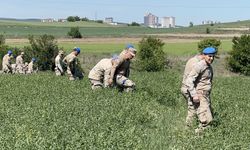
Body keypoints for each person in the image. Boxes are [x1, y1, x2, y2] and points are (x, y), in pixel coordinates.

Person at [181, 47, 217, 133]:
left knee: (193, 112)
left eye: (213, 56)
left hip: (204, 95)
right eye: (209, 56)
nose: (211, 58)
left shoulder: (208, 66)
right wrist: (194, 95)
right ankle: (197, 136)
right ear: (203, 55)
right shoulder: (199, 65)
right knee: (207, 119)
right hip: (199, 94)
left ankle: (187, 132)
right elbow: (189, 80)